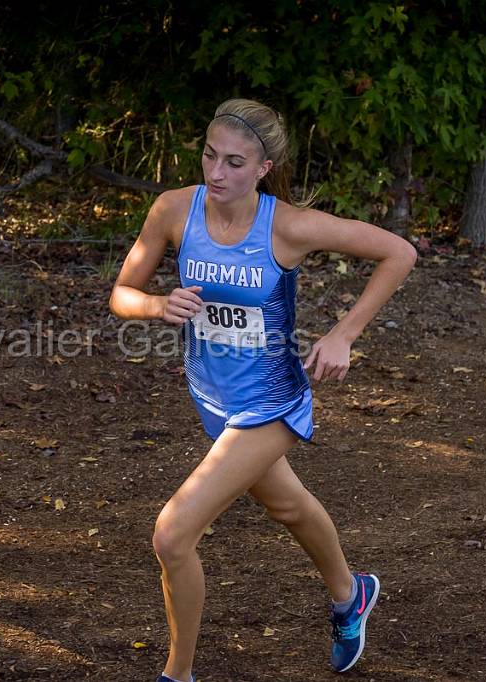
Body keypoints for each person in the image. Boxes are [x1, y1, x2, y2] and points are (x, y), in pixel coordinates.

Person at [109, 98, 417, 679]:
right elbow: (121, 293)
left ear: (263, 169)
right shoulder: (175, 210)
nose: (216, 173)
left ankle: (178, 674)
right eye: (208, 156)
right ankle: (352, 594)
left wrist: (343, 335)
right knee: (285, 504)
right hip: (210, 394)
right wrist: (155, 304)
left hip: (271, 401)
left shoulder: (289, 225)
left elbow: (398, 253)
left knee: (172, 534)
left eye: (233, 162)